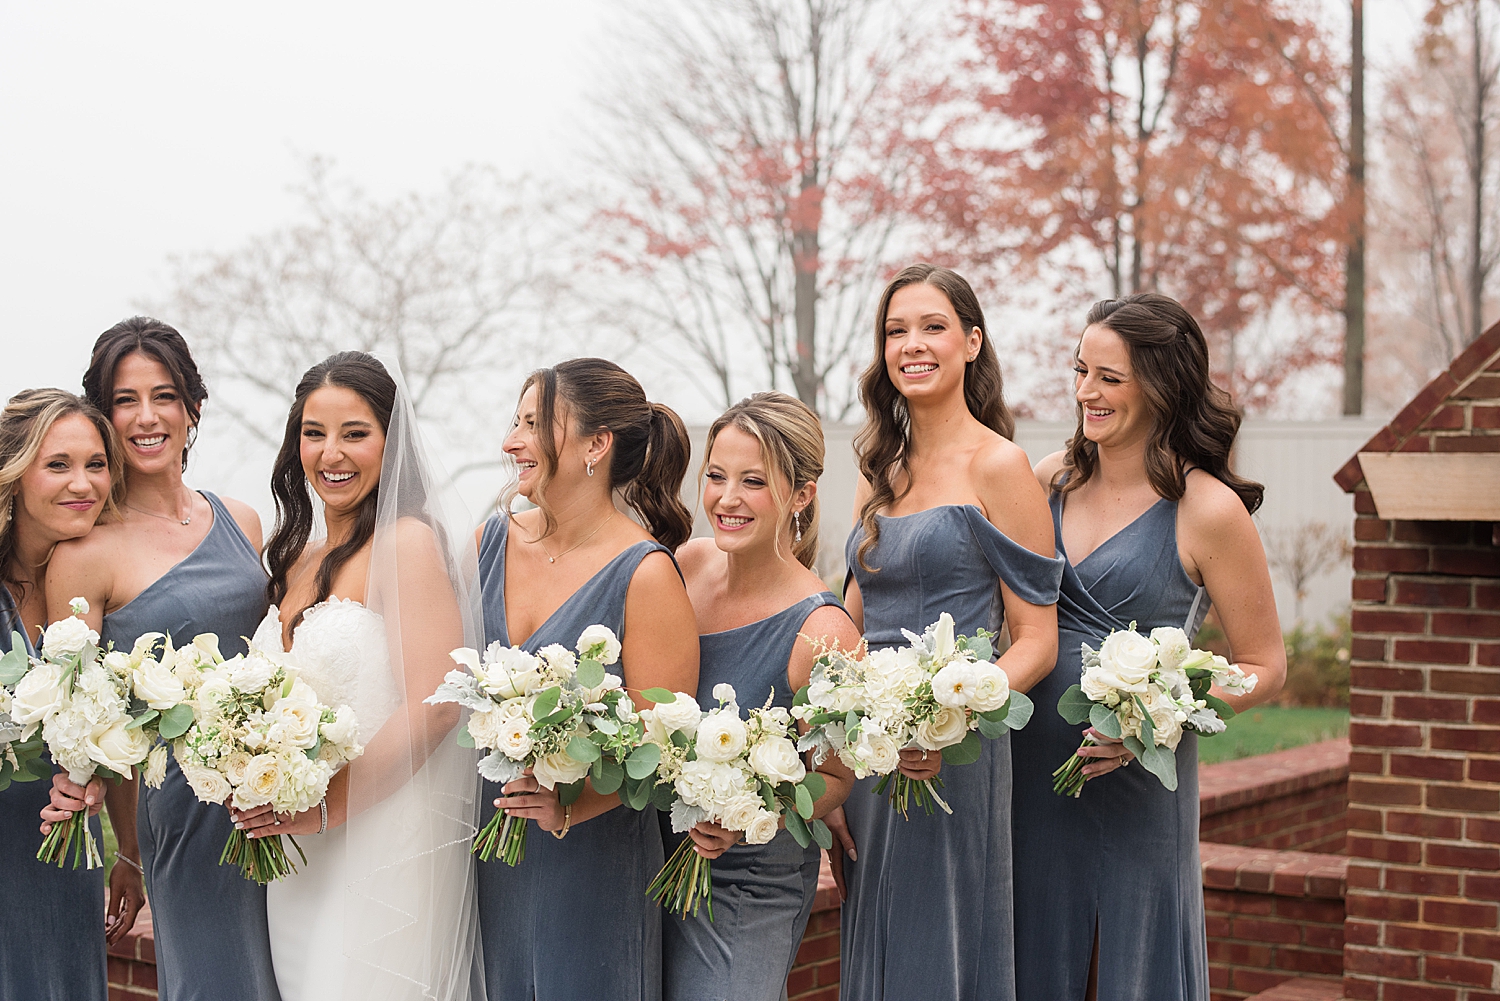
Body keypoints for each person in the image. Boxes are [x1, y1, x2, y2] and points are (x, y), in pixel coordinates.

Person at [1012, 292, 1287, 1001]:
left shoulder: (1208, 510)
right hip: (1027, 791)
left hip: (1133, 797)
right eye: (1080, 371)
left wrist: (1160, 718)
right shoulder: (1049, 481)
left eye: (1109, 376)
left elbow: (1266, 665)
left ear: (1162, 383)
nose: (1085, 392)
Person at [833, 264, 1062, 1001]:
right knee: (875, 934)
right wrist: (832, 756)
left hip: (953, 753)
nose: (912, 344)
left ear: (971, 341)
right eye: (896, 330)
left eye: (932, 327)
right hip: (872, 749)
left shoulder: (1001, 465)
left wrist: (948, 717)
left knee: (939, 948)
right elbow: (849, 624)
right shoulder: (880, 470)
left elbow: (1035, 636)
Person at [228, 351, 483, 1001]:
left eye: (355, 432)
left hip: (376, 842)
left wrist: (327, 805)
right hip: (296, 854)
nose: (331, 453)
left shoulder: (406, 543)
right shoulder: (294, 559)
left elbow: (438, 706)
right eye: (314, 433)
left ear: (392, 443)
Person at [43, 318, 280, 1001]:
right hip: (183, 811)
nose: (147, 417)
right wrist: (125, 850)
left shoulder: (243, 519)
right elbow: (91, 718)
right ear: (103, 415)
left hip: (277, 793)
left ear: (193, 408)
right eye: (124, 399)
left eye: (164, 395)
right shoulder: (83, 554)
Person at [474, 357, 699, 1001]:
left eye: (533, 424)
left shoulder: (646, 573)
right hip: (492, 855)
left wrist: (571, 805)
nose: (510, 441)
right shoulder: (491, 542)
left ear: (595, 445)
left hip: (593, 860)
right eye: (514, 422)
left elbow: (666, 745)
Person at [665, 392, 859, 1001]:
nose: (727, 499)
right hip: (656, 857)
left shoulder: (824, 631)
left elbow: (836, 777)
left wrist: (756, 808)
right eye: (716, 477)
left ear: (801, 495)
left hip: (750, 881)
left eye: (754, 481)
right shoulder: (686, 567)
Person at [2, 389, 131, 1001]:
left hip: (63, 858)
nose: (83, 483)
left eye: (97, 464)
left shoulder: (99, 593)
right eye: (58, 464)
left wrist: (94, 772)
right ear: (14, 472)